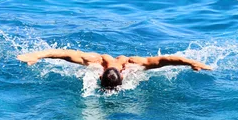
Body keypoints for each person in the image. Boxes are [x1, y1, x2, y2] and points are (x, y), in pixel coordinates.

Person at [17, 49, 212, 89]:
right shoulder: (95, 61)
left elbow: (165, 60)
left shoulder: (133, 64)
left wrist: (191, 62)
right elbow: (64, 54)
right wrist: (37, 55)